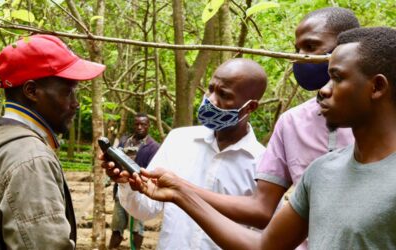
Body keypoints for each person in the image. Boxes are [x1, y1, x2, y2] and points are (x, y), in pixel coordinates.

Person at [133, 26, 396, 249]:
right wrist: (180, 193)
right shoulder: (321, 172)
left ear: (377, 87)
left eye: (337, 78)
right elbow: (263, 245)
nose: (323, 91)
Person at [103, 58, 267, 249]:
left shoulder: (264, 163)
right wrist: (128, 185)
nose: (211, 100)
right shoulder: (179, 141)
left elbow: (267, 237)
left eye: (224, 94)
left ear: (250, 107)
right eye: (211, 89)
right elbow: (144, 210)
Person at [0, 35, 105, 249]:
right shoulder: (31, 159)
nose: (76, 104)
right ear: (31, 91)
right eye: (68, 92)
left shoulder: (3, 138)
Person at [108, 113, 160, 250]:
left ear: (148, 126)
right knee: (117, 227)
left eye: (143, 124)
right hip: (121, 190)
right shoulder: (125, 141)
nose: (140, 127)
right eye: (137, 124)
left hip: (140, 193)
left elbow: (153, 171)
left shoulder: (153, 147)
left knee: (137, 228)